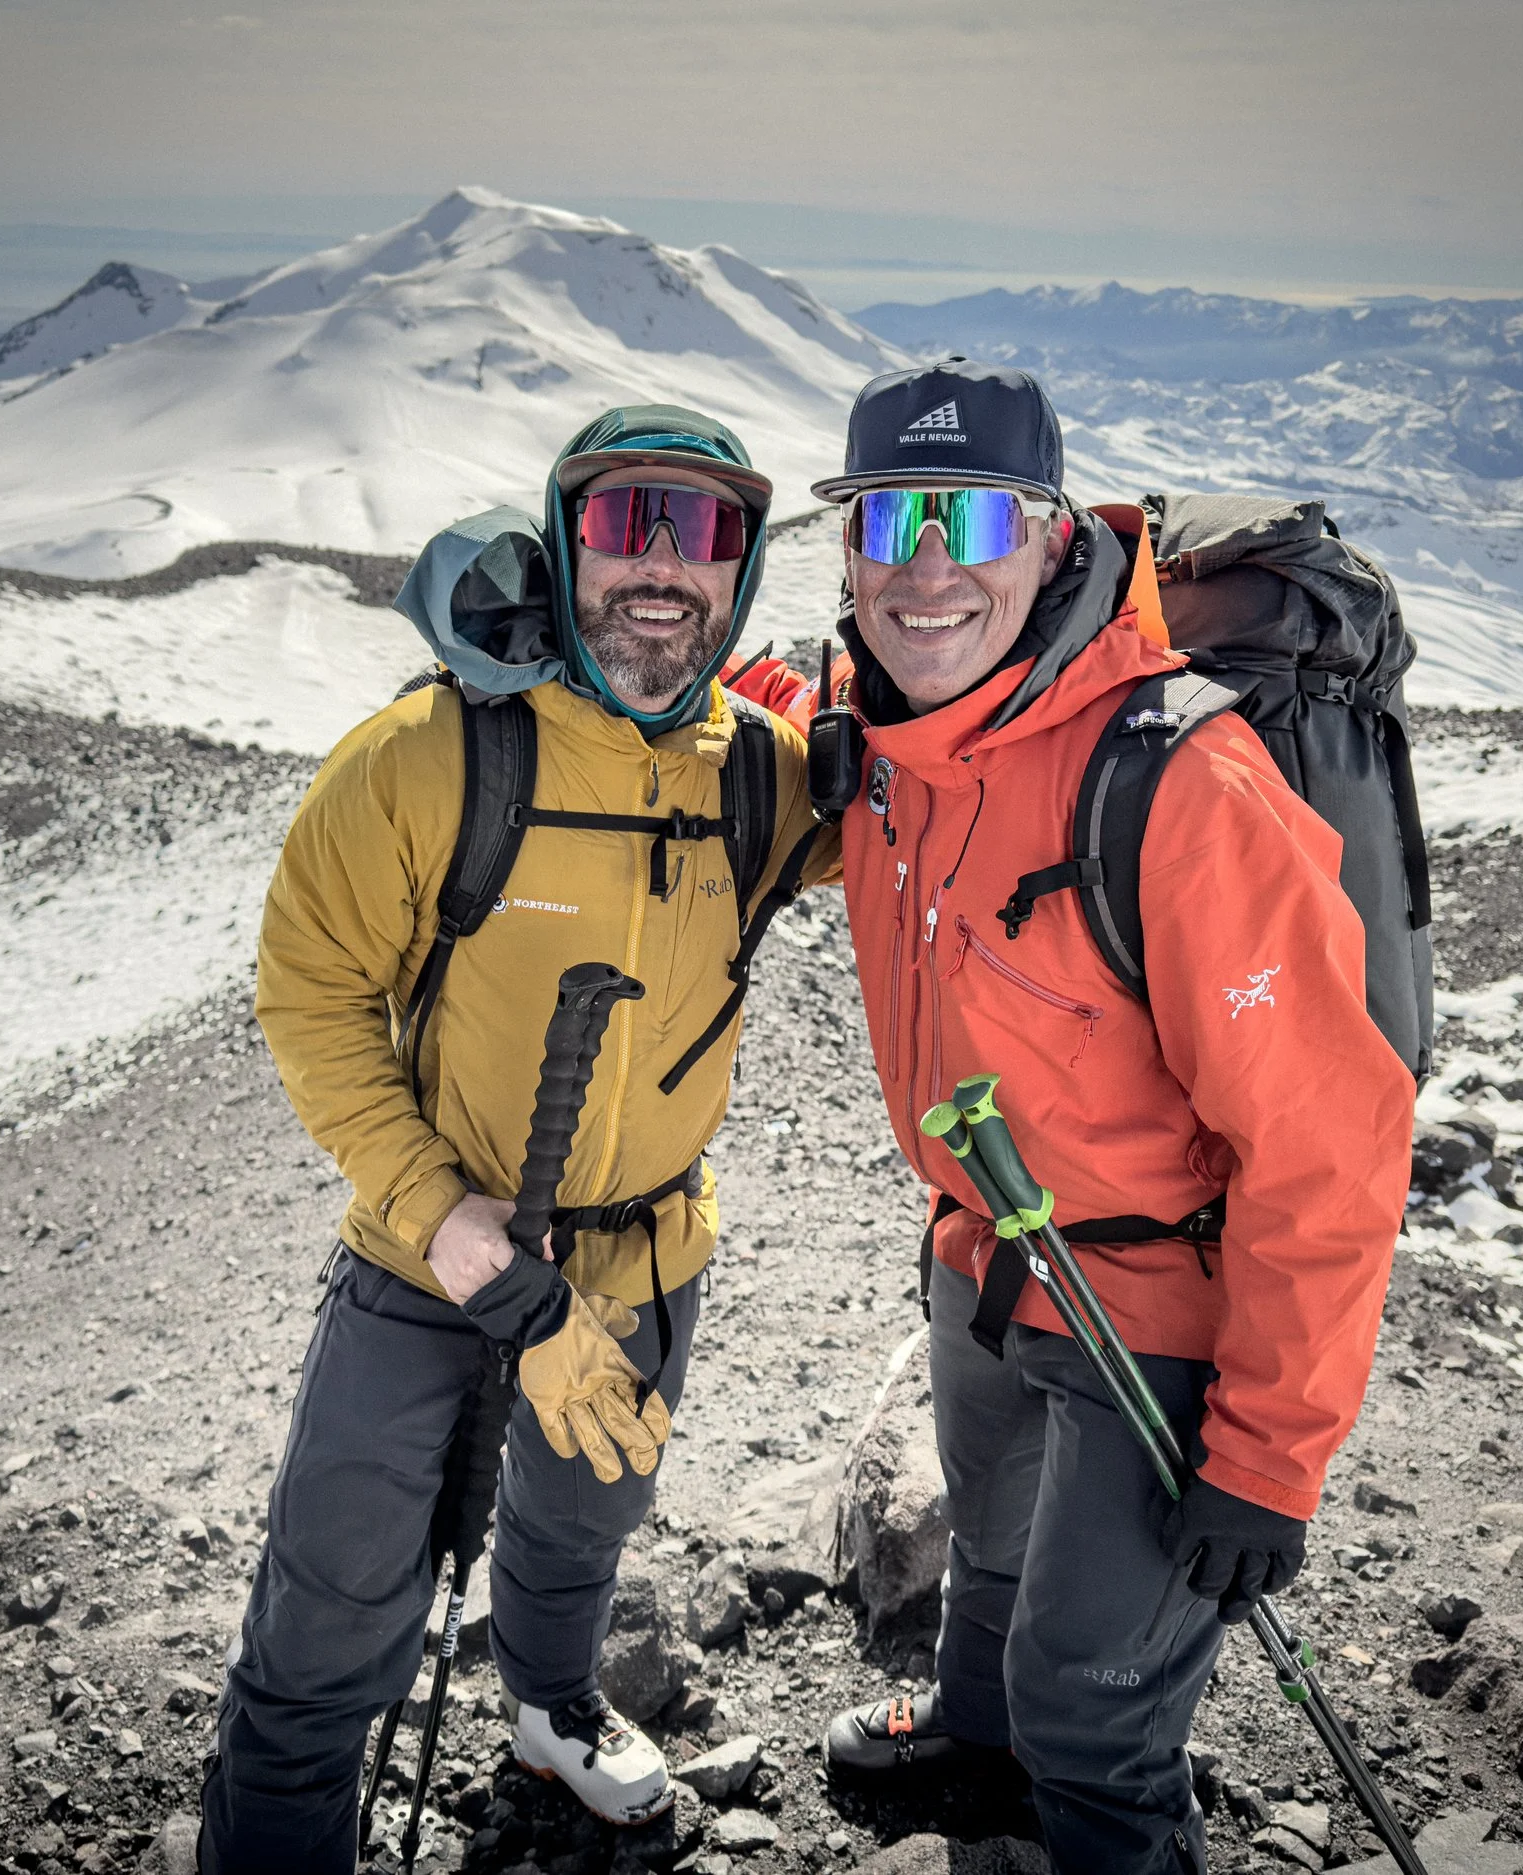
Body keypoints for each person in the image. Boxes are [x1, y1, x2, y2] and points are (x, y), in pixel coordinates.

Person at [796, 363, 1416, 1872]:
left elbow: (1330, 1141)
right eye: (892, 518)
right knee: (993, 1575)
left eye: (971, 516)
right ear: (853, 548)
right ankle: (977, 1742)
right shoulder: (879, 727)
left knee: (1092, 1702)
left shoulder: (1181, 780)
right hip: (984, 1255)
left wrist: (1269, 1454)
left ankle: (1094, 1809)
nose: (928, 565)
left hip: (1156, 1310)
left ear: (1051, 533)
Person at [202, 406, 831, 1873]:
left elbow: (953, 812)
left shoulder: (766, 776)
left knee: (578, 1529)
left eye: (703, 527)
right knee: (328, 1627)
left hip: (644, 1259)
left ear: (741, 568)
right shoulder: (433, 756)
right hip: (430, 1261)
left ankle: (550, 1706)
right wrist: (446, 1217)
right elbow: (308, 989)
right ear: (564, 540)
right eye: (626, 522)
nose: (662, 565)